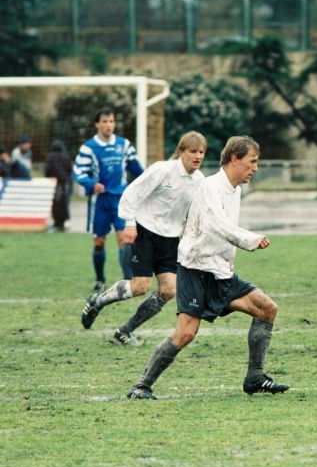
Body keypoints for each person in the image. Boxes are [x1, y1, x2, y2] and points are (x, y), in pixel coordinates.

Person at [126, 135, 289, 400]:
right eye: (252, 162)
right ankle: (141, 386)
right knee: (186, 333)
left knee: (266, 308)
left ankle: (255, 377)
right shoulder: (211, 186)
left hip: (220, 271)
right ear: (234, 159)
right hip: (196, 270)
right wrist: (250, 239)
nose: (255, 168)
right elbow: (215, 223)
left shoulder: (234, 189)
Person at [81, 132, 207, 346]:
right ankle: (98, 300)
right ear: (181, 152)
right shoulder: (162, 170)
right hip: (145, 233)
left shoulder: (199, 181)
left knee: (169, 290)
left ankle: (125, 331)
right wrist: (129, 223)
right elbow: (132, 193)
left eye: (201, 152)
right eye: (193, 151)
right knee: (140, 286)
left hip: (169, 240)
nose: (198, 156)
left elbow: (193, 214)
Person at [73, 109, 145, 293]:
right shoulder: (88, 148)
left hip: (121, 200)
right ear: (97, 124)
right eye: (105, 121)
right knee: (99, 242)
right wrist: (91, 183)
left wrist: (147, 184)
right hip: (100, 203)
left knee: (124, 239)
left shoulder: (124, 145)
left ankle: (128, 281)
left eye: (111, 121)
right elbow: (78, 172)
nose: (108, 125)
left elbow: (136, 169)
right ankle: (99, 280)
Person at [44, 140, 73, 231]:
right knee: (64, 203)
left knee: (55, 203)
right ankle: (63, 222)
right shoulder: (65, 157)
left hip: (54, 183)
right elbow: (70, 169)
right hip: (65, 183)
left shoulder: (50, 157)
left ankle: (56, 222)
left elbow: (47, 171)